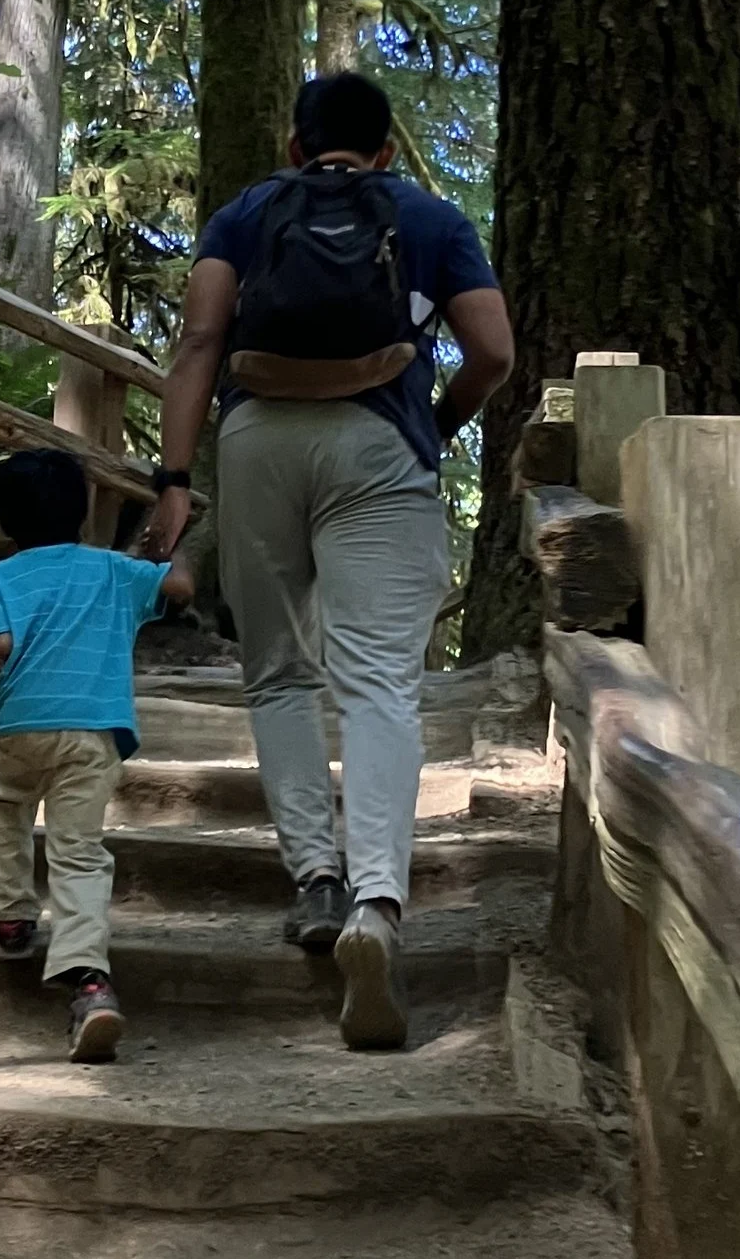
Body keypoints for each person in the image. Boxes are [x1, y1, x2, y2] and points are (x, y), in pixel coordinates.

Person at [144, 74, 514, 1050]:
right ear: (383, 149)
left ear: (295, 146)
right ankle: (377, 905)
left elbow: (198, 342)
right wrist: (434, 427)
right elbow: (493, 349)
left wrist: (175, 478)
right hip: (379, 444)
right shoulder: (426, 216)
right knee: (379, 684)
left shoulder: (246, 213)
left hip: (257, 440)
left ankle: (313, 876)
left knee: (276, 673)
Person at [0, 447, 195, 1063]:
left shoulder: (0, 578)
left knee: (4, 802)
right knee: (78, 855)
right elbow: (180, 585)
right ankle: (90, 984)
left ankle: (14, 916)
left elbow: (1, 647)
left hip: (20, 724)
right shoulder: (112, 570)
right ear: (84, 514)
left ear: (5, 521)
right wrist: (167, 544)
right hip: (93, 732)